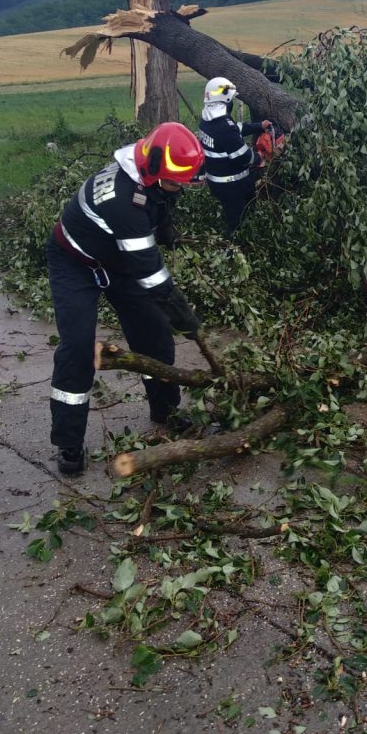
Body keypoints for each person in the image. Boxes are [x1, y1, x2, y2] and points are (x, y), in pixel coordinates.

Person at [46, 122, 204, 475]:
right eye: (177, 178)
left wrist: (167, 232)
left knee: (155, 334)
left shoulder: (150, 172)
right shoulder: (123, 201)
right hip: (74, 262)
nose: (181, 184)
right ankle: (68, 442)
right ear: (152, 165)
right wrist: (188, 320)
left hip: (117, 259)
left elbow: (160, 203)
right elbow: (152, 276)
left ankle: (165, 410)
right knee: (78, 346)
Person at [198, 77, 273, 239]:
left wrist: (259, 126)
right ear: (224, 100)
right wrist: (259, 158)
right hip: (233, 186)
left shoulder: (207, 120)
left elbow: (236, 128)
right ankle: (234, 251)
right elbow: (242, 156)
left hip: (217, 182)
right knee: (237, 223)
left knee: (241, 214)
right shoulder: (224, 127)